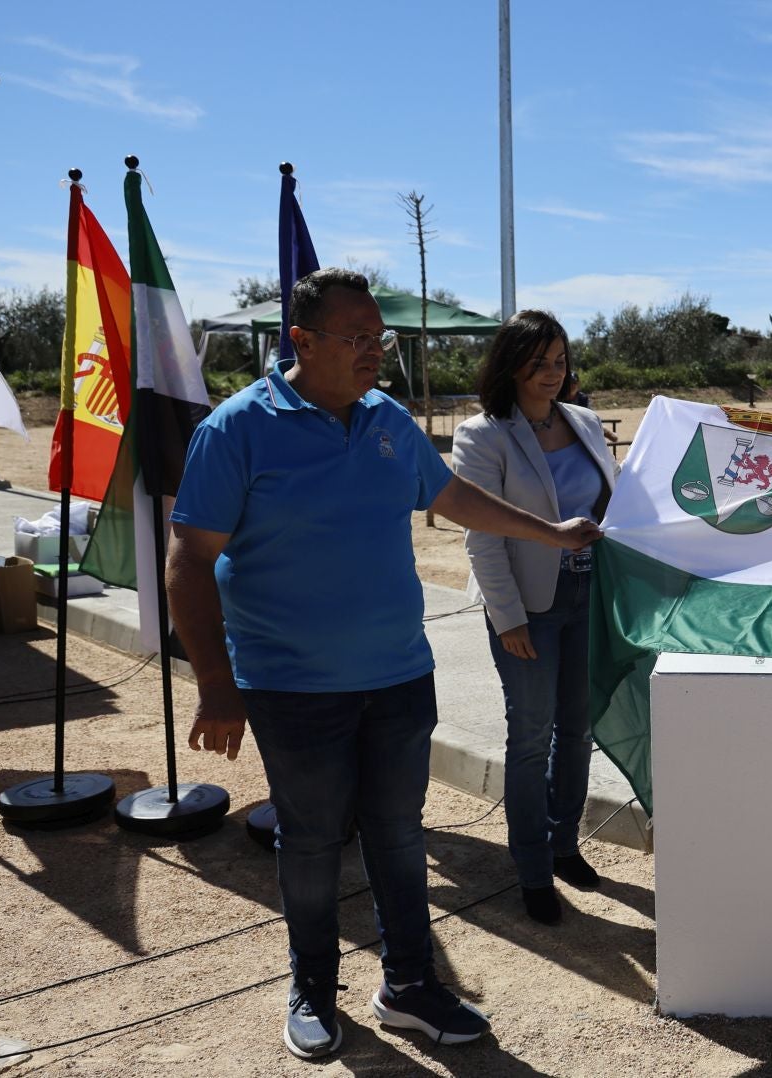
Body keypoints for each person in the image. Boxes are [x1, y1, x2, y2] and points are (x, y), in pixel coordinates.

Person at [167, 269, 602, 1060]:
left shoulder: (388, 420)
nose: (375, 353)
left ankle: (409, 987)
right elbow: (190, 560)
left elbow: (454, 498)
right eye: (357, 339)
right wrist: (214, 684)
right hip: (293, 686)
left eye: (381, 339)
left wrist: (552, 533)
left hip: (399, 676)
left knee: (400, 836)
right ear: (300, 341)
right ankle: (312, 989)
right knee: (310, 842)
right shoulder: (237, 429)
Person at [452, 311, 618, 924]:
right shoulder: (483, 434)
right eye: (538, 362)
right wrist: (509, 618)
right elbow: (482, 536)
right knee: (530, 738)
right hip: (529, 608)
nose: (552, 374)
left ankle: (562, 843)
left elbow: (613, 503)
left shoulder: (587, 422)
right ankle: (530, 869)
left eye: (559, 361)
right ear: (511, 365)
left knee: (577, 731)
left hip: (589, 597)